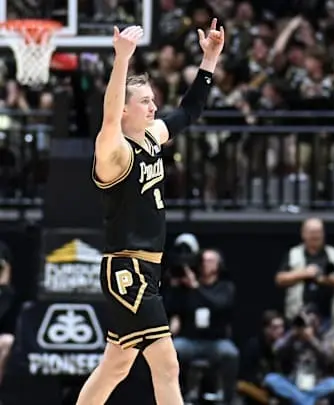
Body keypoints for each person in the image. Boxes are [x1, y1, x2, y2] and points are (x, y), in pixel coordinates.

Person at [76, 20, 224, 405]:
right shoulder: (114, 152)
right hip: (127, 269)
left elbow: (189, 111)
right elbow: (109, 118)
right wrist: (122, 59)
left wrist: (209, 60)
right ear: (125, 108)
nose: (154, 106)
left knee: (116, 366)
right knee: (167, 364)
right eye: (145, 101)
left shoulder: (153, 137)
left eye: (153, 100)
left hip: (148, 269)